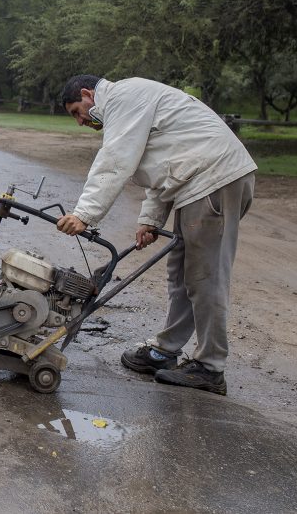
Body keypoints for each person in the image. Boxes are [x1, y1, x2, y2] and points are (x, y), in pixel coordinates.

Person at [55, 75, 256, 395]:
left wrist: (84, 215)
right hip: (198, 182)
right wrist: (150, 219)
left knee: (206, 276)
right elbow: (162, 163)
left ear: (87, 94)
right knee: (182, 274)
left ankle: (210, 367)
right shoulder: (131, 102)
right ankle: (166, 350)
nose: (81, 122)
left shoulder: (122, 97)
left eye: (78, 112)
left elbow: (115, 159)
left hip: (215, 179)